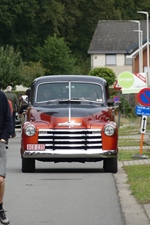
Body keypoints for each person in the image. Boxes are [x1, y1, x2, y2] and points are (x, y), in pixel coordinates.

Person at [0, 90, 13, 224]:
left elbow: (8, 119)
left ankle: (0, 208)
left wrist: (4, 138)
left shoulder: (1, 96)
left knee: (0, 180)